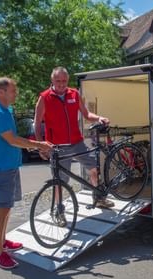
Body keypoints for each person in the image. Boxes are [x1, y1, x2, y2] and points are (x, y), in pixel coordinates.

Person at [0, 77, 53, 269]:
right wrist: (39, 144)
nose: (17, 93)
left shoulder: (6, 110)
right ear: (1, 92)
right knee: (2, 210)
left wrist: (32, 147)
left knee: (7, 207)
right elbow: (12, 140)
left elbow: (14, 140)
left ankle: (3, 242)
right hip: (0, 168)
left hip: (10, 166)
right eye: (13, 90)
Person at [34, 66, 114, 209]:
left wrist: (99, 118)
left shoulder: (74, 94)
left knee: (94, 169)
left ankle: (99, 198)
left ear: (68, 80)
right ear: (52, 80)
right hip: (57, 147)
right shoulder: (44, 97)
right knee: (59, 181)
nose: (61, 84)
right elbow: (37, 123)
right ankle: (59, 210)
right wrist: (41, 146)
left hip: (77, 143)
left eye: (64, 81)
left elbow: (86, 114)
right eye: (58, 81)